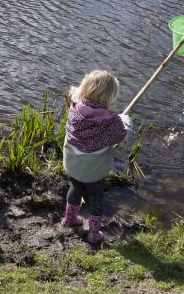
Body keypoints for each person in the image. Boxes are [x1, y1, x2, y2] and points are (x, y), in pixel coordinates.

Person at [60, 70, 132, 243]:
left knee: (75, 189)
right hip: (93, 172)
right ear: (110, 97)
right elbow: (121, 136)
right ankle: (94, 233)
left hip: (72, 165)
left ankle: (69, 220)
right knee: (96, 198)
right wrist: (126, 122)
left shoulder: (75, 107)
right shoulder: (112, 121)